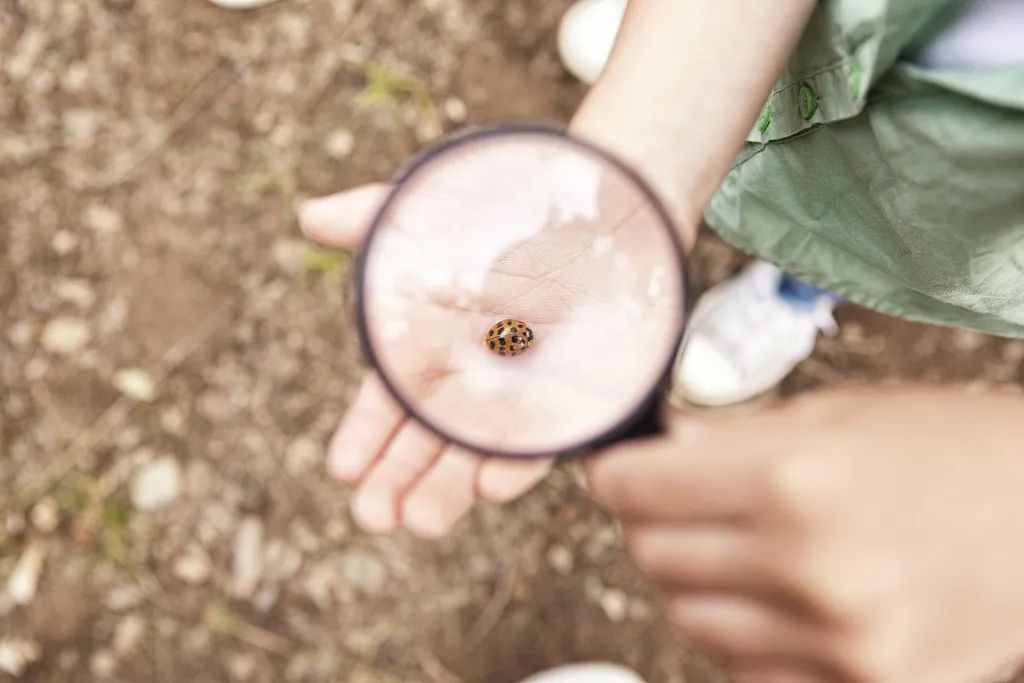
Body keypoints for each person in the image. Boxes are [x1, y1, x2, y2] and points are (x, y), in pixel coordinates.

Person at [298, 1, 1024, 682]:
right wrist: (644, 142)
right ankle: (687, 60)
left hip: (960, 204)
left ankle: (801, 280)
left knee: (882, 225)